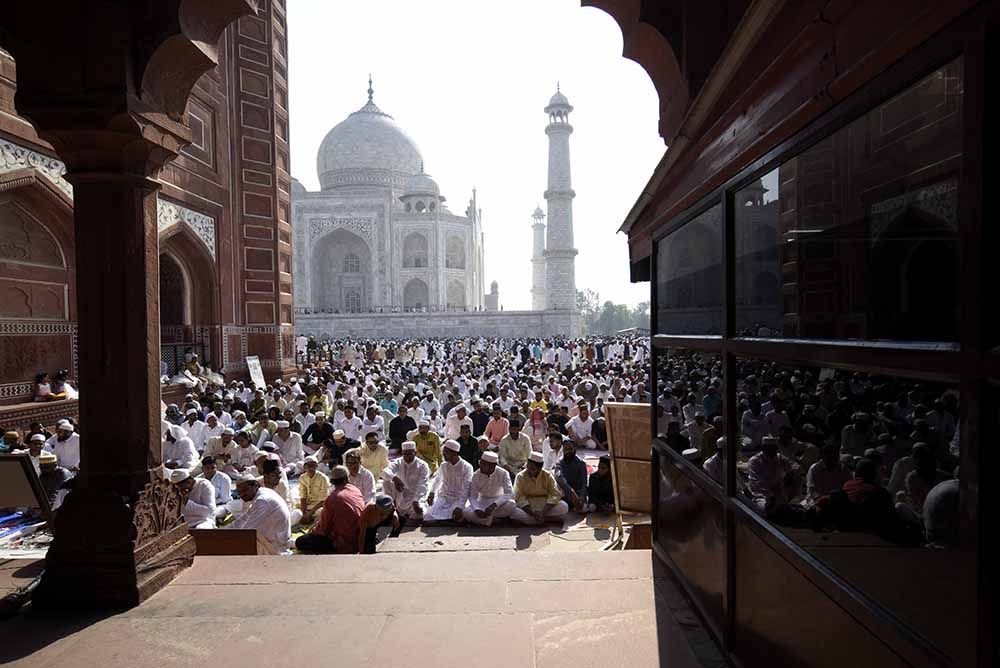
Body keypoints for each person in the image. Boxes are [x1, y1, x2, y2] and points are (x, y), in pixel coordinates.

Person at [296, 465, 366, 554]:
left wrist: (313, 529)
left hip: (343, 543)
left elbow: (323, 529)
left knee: (300, 541)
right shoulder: (355, 490)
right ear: (347, 478)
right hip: (358, 537)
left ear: (332, 481)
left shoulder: (333, 498)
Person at [228, 478, 292, 555]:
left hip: (275, 546)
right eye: (239, 492)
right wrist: (221, 531)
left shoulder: (262, 501)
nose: (242, 495)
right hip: (276, 537)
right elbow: (243, 519)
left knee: (237, 543)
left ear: (255, 486)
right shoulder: (264, 493)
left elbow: (247, 531)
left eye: (245, 490)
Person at [747, 435, 800, 519]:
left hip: (778, 491)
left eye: (773, 448)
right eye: (769, 448)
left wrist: (791, 473)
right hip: (762, 494)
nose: (772, 450)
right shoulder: (755, 461)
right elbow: (757, 481)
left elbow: (795, 466)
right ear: (764, 448)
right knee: (766, 508)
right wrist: (772, 491)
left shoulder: (779, 457)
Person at [511, 451, 569, 524]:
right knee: (514, 512)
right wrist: (532, 513)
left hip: (545, 505)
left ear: (539, 469)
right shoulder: (520, 476)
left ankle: (533, 520)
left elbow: (555, 494)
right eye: (527, 467)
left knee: (564, 506)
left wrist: (543, 512)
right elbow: (518, 497)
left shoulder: (547, 475)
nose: (529, 471)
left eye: (532, 469)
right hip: (528, 506)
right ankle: (548, 520)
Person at [425, 440, 473, 523]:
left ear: (454, 454)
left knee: (458, 516)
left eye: (445, 452)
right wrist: (432, 493)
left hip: (459, 498)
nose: (443, 455)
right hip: (444, 497)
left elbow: (466, 489)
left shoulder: (467, 467)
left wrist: (460, 507)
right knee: (428, 516)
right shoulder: (444, 465)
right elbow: (437, 480)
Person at [380, 441, 429, 523]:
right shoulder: (398, 462)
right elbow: (384, 472)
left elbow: (423, 485)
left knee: (421, 514)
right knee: (386, 481)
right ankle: (390, 506)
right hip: (401, 494)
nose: (407, 457)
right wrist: (394, 478)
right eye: (405, 454)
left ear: (415, 453)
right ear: (402, 453)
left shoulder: (422, 465)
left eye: (410, 454)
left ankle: (402, 513)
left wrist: (416, 501)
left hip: (415, 497)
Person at [463, 450, 516, 526]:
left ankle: (485, 520)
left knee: (511, 504)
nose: (480, 466)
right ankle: (494, 520)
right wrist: (477, 509)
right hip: (483, 502)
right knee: (465, 511)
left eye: (484, 465)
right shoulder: (476, 475)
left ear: (492, 466)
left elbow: (509, 493)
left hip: (498, 503)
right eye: (480, 463)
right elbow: (473, 496)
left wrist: (494, 505)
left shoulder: (503, 473)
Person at [804, 443, 851, 507]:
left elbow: (848, 489)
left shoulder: (843, 469)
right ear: (823, 456)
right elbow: (813, 492)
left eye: (835, 456)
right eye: (829, 456)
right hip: (819, 503)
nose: (833, 459)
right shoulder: (814, 469)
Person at [553, 440, 588, 512]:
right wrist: (571, 492)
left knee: (584, 507)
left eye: (570, 449)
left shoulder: (581, 463)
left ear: (575, 449)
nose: (567, 452)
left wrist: (581, 497)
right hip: (565, 494)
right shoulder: (559, 463)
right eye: (565, 449)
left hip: (577, 493)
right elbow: (559, 478)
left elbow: (584, 483)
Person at [297, 457, 330, 525]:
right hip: (307, 505)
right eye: (308, 466)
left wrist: (309, 514)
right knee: (296, 511)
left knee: (321, 512)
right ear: (304, 467)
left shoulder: (323, 478)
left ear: (316, 466)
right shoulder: (302, 478)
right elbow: (303, 496)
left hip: (319, 506)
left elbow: (323, 500)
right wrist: (304, 513)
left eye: (313, 466)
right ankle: (309, 517)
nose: (311, 468)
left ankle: (311, 518)